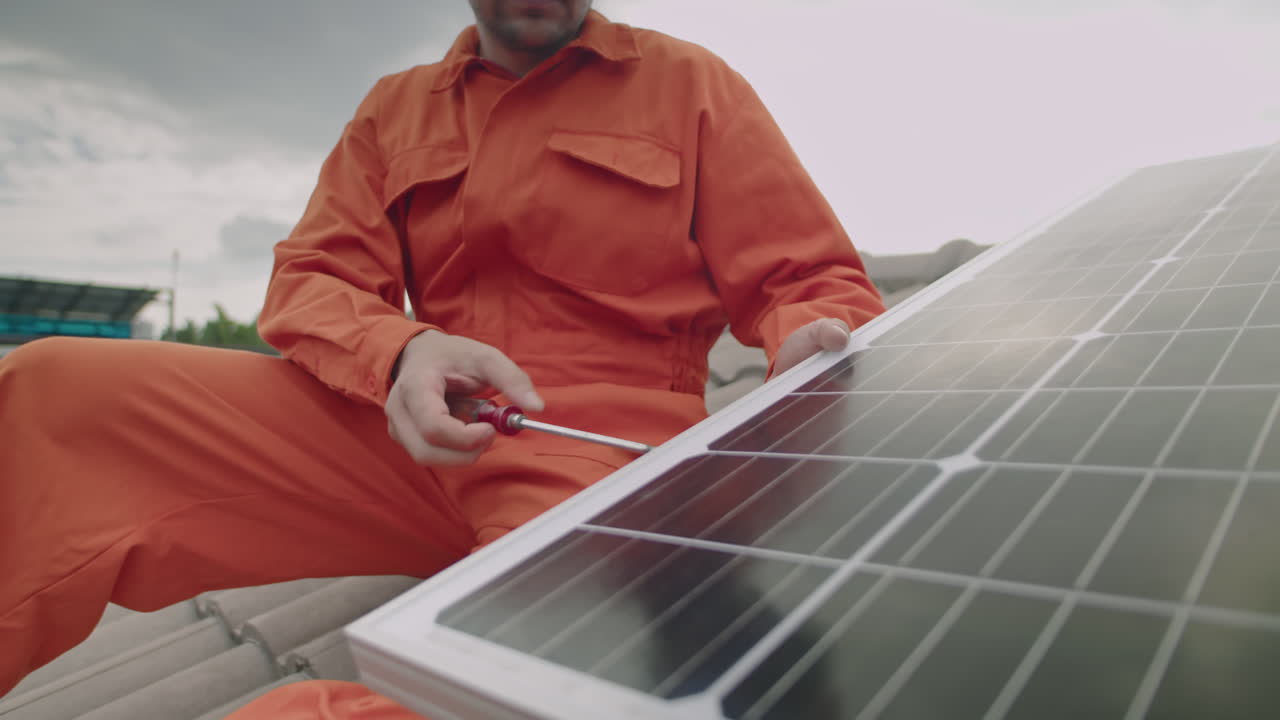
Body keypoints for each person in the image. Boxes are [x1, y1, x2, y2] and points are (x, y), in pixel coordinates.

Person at [0, 1, 885, 717]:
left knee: (502, 682)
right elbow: (311, 276)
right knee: (54, 394)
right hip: (419, 424)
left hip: (597, 456)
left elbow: (806, 275)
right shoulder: (396, 106)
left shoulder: (691, 84)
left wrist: (814, 339)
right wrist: (403, 348)